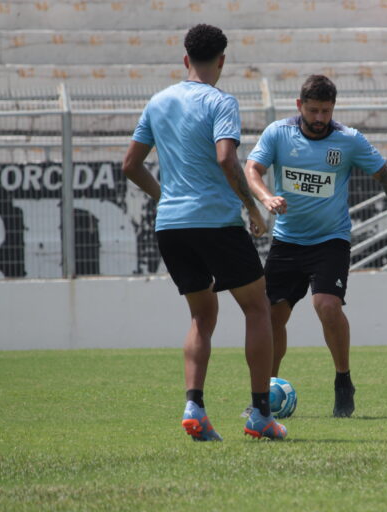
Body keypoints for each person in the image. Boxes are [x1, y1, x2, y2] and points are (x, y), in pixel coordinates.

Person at [122, 24, 286, 440]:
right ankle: (261, 414)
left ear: (185, 59)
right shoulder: (221, 101)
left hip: (172, 226)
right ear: (222, 61)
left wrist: (165, 196)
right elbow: (226, 157)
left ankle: (194, 406)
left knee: (201, 315)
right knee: (257, 308)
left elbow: (130, 166)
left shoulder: (158, 102)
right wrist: (251, 206)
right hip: (215, 221)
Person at [244, 74, 387, 418]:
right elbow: (252, 169)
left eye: (325, 111)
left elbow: (386, 176)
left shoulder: (349, 140)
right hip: (287, 241)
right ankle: (265, 392)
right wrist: (266, 197)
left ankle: (343, 381)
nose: (319, 118)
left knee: (327, 306)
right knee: (272, 316)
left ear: (333, 109)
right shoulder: (278, 133)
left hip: (331, 240)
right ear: (299, 106)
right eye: (313, 110)